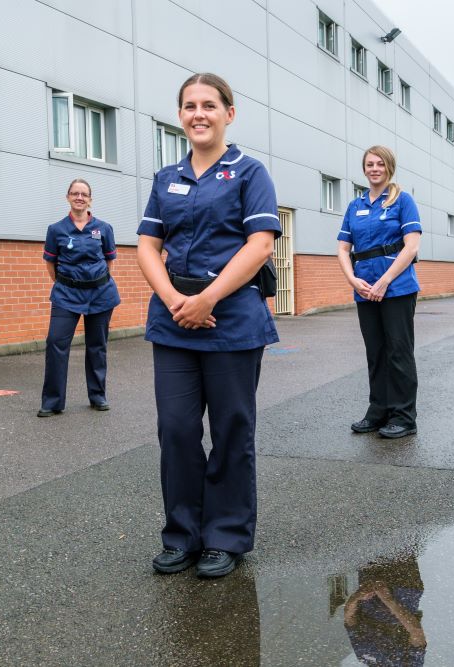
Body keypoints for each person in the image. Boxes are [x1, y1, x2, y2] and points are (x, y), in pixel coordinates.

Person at [137, 73, 280, 579]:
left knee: (230, 429)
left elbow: (260, 244)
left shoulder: (249, 172)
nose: (199, 114)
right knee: (175, 430)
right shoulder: (165, 177)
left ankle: (225, 536)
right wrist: (176, 298)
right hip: (175, 318)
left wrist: (208, 297)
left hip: (231, 317)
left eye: (209, 105)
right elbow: (147, 246)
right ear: (180, 115)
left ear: (229, 113)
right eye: (189, 106)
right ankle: (183, 534)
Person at [337, 146, 422, 439]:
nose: (374, 168)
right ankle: (378, 411)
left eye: (380, 164)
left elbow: (411, 246)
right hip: (364, 287)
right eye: (369, 164)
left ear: (389, 167)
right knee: (376, 352)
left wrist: (385, 281)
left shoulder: (402, 201)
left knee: (398, 352)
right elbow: (343, 248)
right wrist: (352, 280)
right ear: (364, 169)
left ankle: (403, 416)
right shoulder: (355, 205)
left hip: (396, 288)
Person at [38, 178, 120, 416]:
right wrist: (70, 282)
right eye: (75, 193)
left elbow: (109, 261)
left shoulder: (104, 228)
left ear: (90, 199)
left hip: (101, 294)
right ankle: (52, 402)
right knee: (56, 342)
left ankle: (97, 396)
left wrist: (95, 282)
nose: (79, 197)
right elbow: (50, 264)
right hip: (66, 294)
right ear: (68, 197)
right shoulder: (56, 229)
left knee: (97, 346)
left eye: (84, 194)